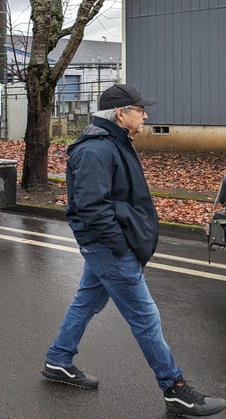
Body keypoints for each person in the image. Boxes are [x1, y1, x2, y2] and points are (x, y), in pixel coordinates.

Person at [41, 83, 226, 417]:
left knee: (87, 302)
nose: (146, 115)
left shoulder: (113, 142)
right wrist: (119, 245)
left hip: (106, 246)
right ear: (121, 113)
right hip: (108, 248)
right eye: (140, 110)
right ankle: (175, 390)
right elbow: (91, 206)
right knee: (146, 318)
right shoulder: (97, 149)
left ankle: (58, 361)